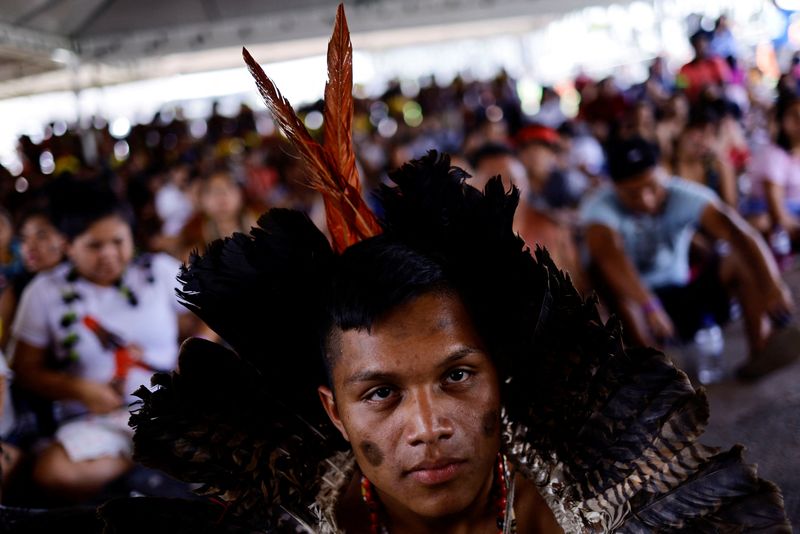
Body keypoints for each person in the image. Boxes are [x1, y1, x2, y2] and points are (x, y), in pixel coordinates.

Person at [2, 6, 791, 533]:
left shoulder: (603, 504)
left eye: (456, 377)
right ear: (335, 412)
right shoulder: (302, 519)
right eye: (381, 393)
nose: (428, 428)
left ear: (499, 377)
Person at [8, 183, 189, 502]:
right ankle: (144, 464)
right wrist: (79, 390)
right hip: (98, 421)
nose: (109, 254)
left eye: (118, 241)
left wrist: (196, 354)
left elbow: (212, 313)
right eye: (94, 245)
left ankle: (156, 464)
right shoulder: (45, 290)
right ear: (68, 246)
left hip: (172, 407)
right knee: (53, 472)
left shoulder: (157, 270)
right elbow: (23, 369)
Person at [581, 136, 797, 378]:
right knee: (606, 279)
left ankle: (762, 349)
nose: (645, 199)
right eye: (632, 194)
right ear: (615, 188)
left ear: (662, 173)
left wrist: (772, 284)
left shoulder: (681, 193)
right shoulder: (599, 207)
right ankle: (656, 372)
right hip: (637, 308)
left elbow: (739, 233)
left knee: (737, 258)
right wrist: (649, 305)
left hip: (682, 291)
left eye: (651, 187)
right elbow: (608, 256)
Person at [0, 208, 67, 349]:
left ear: (64, 239)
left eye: (41, 236)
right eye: (24, 239)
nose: (29, 246)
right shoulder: (15, 291)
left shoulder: (84, 282)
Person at [745, 91, 800, 242]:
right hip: (776, 228)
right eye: (794, 116)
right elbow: (779, 214)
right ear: (783, 121)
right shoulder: (773, 156)